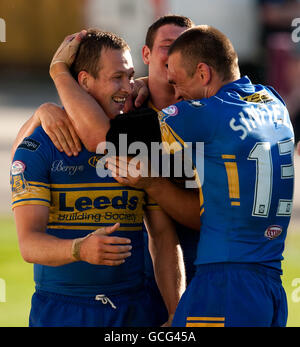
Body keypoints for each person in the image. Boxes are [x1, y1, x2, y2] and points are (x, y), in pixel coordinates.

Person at [49, 25, 294, 327]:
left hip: (225, 286)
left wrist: (59, 72)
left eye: (178, 83)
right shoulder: (273, 102)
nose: (176, 94)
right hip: (270, 285)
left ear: (203, 73)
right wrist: (140, 83)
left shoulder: (205, 113)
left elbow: (100, 138)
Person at [13, 15, 200, 318]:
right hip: (62, 311)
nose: (128, 87)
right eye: (117, 78)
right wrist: (79, 249)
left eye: (130, 77)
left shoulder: (135, 142)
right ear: (84, 81)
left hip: (134, 308)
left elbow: (163, 240)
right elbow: (28, 244)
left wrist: (176, 315)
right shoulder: (43, 143)